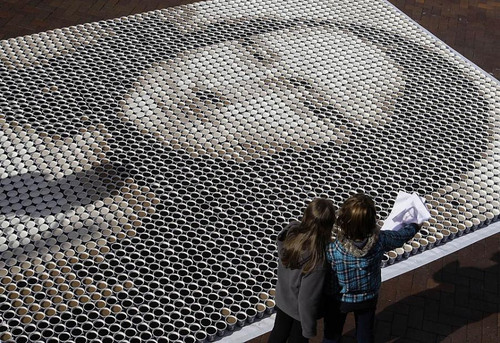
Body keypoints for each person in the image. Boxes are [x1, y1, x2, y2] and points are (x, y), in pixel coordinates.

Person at [323, 193, 420, 343]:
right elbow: (401, 236)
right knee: (365, 334)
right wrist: (415, 224)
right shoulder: (380, 240)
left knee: (332, 335)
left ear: (343, 221)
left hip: (339, 299)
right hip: (368, 297)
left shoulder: (332, 250)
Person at [268, 198, 336, 343]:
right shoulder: (317, 260)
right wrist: (309, 329)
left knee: (278, 333)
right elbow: (307, 300)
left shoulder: (290, 235)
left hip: (283, 299)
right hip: (299, 312)